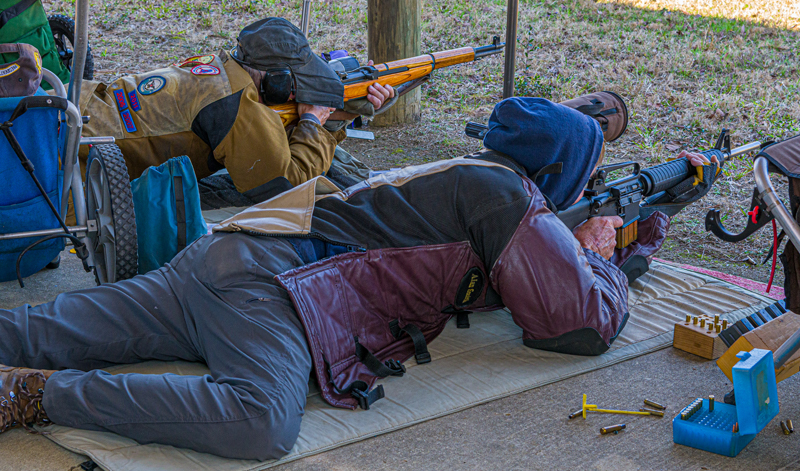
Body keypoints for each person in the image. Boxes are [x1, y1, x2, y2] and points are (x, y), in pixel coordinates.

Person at [0, 97, 717, 460]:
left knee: (36, 325)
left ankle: (27, 372)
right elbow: (577, 323)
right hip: (275, 291)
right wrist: (600, 252)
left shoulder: (467, 176)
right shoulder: (508, 199)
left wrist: (622, 231)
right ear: (555, 178)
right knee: (260, 419)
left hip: (224, 256)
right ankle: (37, 393)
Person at [77, 17, 395, 201]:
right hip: (73, 174)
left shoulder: (220, 70)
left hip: (74, 106)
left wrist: (342, 114)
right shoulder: (239, 105)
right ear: (278, 80)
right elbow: (285, 188)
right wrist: (314, 121)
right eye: (295, 83)